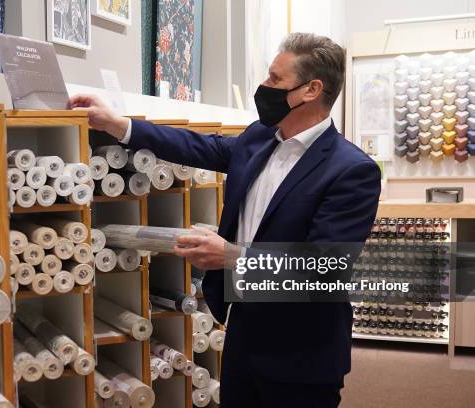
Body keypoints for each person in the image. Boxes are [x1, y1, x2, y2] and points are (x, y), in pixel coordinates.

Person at [71, 32, 381, 407]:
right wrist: (117, 124)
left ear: (311, 90)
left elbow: (324, 265)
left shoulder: (351, 170)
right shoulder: (260, 138)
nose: (263, 86)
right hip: (243, 332)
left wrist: (233, 256)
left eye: (275, 79)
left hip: (302, 350)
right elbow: (197, 146)